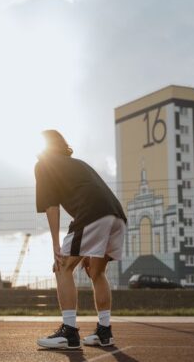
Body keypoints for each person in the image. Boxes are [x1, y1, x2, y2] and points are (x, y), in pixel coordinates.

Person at [35, 130, 127, 349]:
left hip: (93, 214)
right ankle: (104, 332)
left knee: (62, 267)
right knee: (97, 272)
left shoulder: (44, 165)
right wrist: (87, 249)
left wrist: (56, 246)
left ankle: (69, 332)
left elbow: (51, 206)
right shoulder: (78, 164)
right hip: (117, 216)